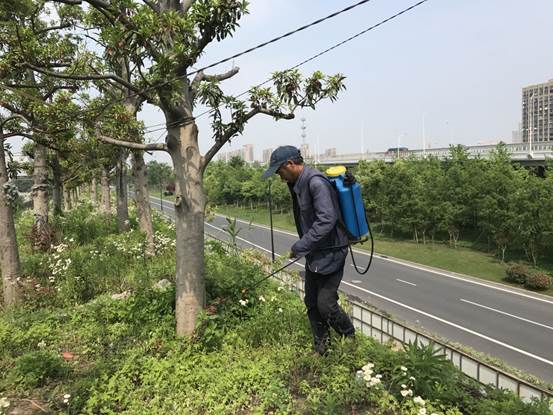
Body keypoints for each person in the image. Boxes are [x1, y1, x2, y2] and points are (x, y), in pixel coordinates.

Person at [263, 145, 355, 354]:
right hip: (316, 252)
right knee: (312, 303)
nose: (280, 177)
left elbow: (327, 219)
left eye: (280, 172)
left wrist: (301, 246)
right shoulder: (298, 183)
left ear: (290, 164)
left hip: (332, 252)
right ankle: (322, 348)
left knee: (326, 304)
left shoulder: (315, 183)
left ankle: (349, 338)